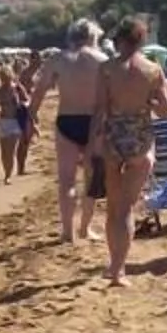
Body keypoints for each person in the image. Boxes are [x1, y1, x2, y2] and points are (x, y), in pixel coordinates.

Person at [90, 15, 167, 285]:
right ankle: (119, 270)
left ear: (119, 41)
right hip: (140, 138)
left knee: (114, 208)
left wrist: (91, 144)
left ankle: (113, 267)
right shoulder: (152, 70)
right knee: (127, 208)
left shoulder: (106, 70)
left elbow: (99, 110)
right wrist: (149, 103)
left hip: (113, 138)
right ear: (141, 40)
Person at [45, 20, 106, 246]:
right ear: (93, 37)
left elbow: (39, 90)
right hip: (94, 122)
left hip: (67, 120)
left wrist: (30, 116)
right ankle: (85, 228)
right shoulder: (103, 61)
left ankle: (67, 232)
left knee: (67, 180)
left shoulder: (58, 59)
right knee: (92, 178)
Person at [0, 56, 35, 180]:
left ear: (10, 76)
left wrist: (22, 107)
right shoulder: (0, 90)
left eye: (5, 77)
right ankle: (7, 171)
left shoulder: (17, 87)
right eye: (2, 77)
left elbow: (28, 101)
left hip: (15, 122)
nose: (4, 79)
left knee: (10, 151)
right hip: (2, 122)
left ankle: (7, 176)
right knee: (4, 152)